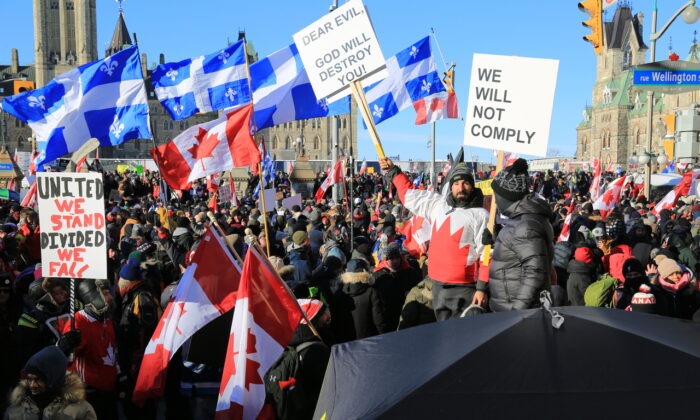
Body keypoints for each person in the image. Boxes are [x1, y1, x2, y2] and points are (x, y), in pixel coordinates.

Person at [379, 157, 490, 320]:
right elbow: (409, 194)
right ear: (451, 186)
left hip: (465, 287)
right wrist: (393, 171)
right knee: (443, 333)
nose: (461, 188)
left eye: (465, 183)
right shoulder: (438, 205)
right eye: (456, 183)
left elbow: (487, 255)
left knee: (463, 336)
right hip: (437, 284)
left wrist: (482, 288)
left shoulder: (481, 215)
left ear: (472, 186)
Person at [489, 159, 554, 311]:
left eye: (497, 195)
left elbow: (535, 271)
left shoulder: (525, 226)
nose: (495, 201)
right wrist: (497, 238)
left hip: (515, 310)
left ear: (507, 195)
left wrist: (517, 312)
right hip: (509, 305)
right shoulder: (523, 221)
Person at [4, 345, 97, 419]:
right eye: (29, 379)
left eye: (38, 379)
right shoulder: (15, 411)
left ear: (54, 379)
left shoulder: (80, 411)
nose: (32, 385)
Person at [332, 259, 388, 342]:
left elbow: (337, 321)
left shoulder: (339, 294)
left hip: (348, 342)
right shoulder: (372, 292)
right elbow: (379, 321)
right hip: (370, 341)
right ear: (365, 273)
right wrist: (385, 338)